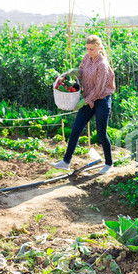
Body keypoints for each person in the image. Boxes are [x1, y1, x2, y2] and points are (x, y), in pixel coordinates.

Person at [51, 35, 115, 174]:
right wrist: (75, 73)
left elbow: (98, 89)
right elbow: (83, 73)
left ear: (98, 48)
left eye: (91, 49)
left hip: (102, 99)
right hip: (88, 98)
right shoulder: (86, 58)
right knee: (76, 129)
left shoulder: (102, 64)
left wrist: (83, 102)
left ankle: (109, 163)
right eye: (87, 49)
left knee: (101, 133)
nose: (89, 51)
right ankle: (66, 162)